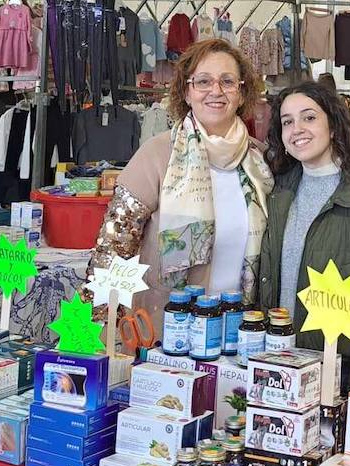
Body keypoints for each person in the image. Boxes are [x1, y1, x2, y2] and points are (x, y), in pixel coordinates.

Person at [88, 38, 272, 324]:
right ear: (186, 92)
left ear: (241, 92)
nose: (216, 91)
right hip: (165, 331)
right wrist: (99, 326)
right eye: (203, 81)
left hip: (240, 331)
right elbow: (114, 248)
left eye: (228, 81)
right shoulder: (157, 155)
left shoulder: (259, 161)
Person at [258, 82, 350, 388]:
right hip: (276, 362)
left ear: (334, 126)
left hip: (334, 373)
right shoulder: (278, 192)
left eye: (309, 117)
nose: (297, 128)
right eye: (288, 121)